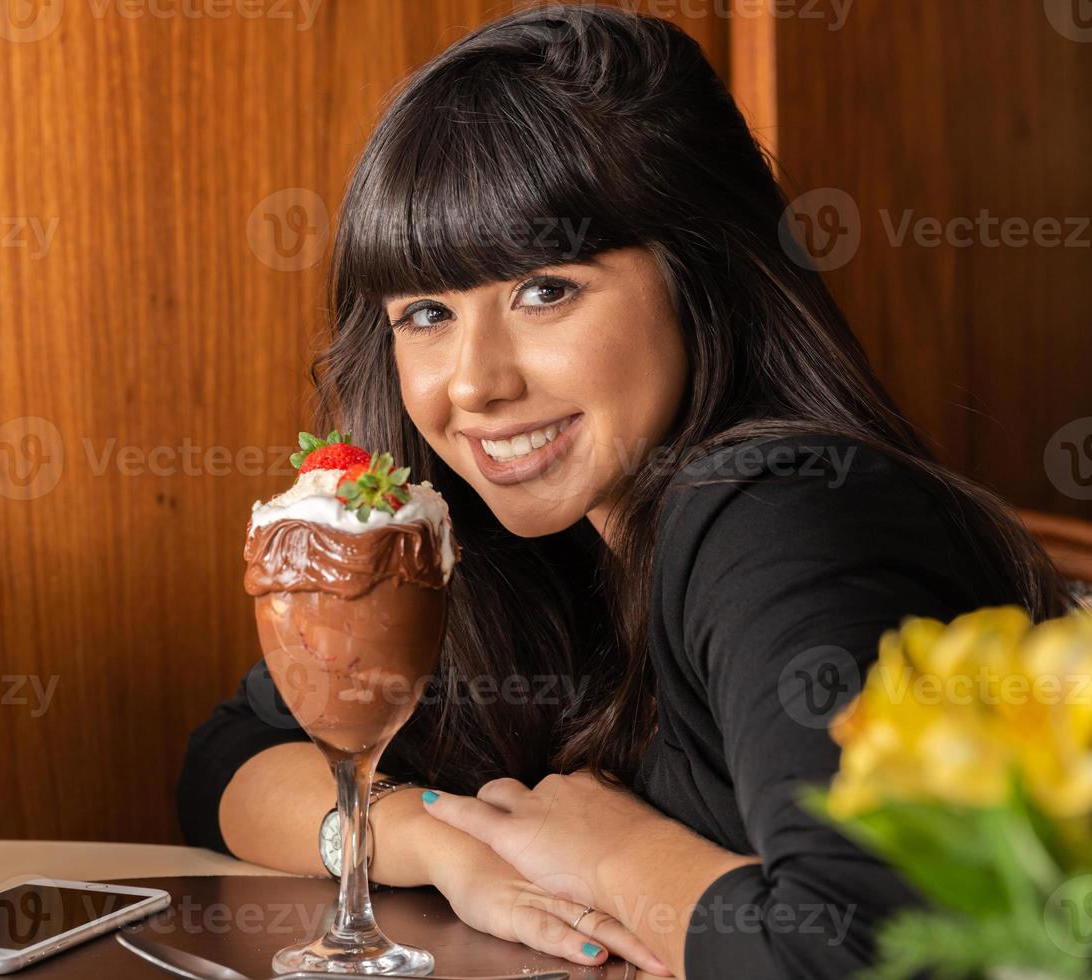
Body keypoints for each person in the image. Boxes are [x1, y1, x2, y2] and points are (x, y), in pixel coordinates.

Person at [177, 6, 1069, 977]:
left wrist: (613, 852)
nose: (473, 381)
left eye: (545, 291)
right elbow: (234, 755)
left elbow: (875, 952)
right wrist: (455, 849)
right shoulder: (524, 540)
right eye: (426, 312)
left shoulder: (783, 508)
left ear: (702, 272)